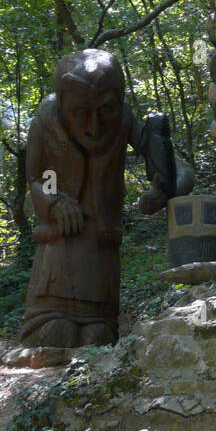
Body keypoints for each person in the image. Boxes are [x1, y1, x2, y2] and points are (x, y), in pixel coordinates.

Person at [20, 48, 191, 347]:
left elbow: (179, 170)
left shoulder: (124, 120)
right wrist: (55, 201)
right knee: (52, 331)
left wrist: (163, 189)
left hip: (103, 251)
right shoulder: (45, 124)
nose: (94, 126)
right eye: (80, 113)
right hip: (59, 247)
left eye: (105, 110)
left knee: (98, 335)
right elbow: (34, 180)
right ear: (62, 104)